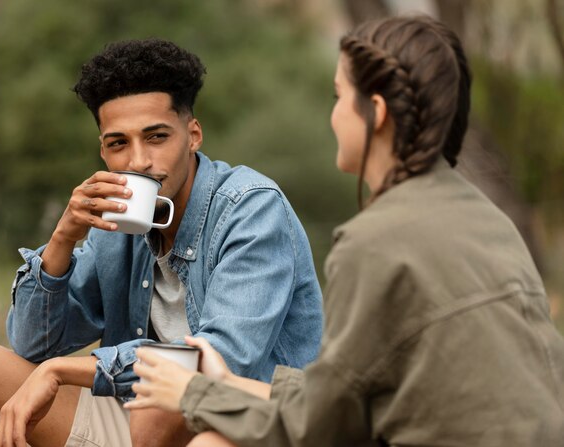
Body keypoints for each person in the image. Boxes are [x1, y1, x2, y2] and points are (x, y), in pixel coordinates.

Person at [125, 15, 564, 446]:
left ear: (375, 113)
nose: (333, 115)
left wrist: (195, 393)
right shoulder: (488, 218)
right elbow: (352, 394)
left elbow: (323, 427)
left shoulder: (375, 241)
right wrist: (223, 385)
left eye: (338, 96)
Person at [0, 38, 323, 447]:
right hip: (138, 419)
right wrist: (63, 238)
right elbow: (34, 344)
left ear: (193, 135)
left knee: (157, 410)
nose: (138, 162)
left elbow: (217, 363)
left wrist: (62, 372)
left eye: (156, 137)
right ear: (103, 151)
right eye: (118, 143)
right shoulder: (118, 224)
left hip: (234, 425)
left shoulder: (250, 209)